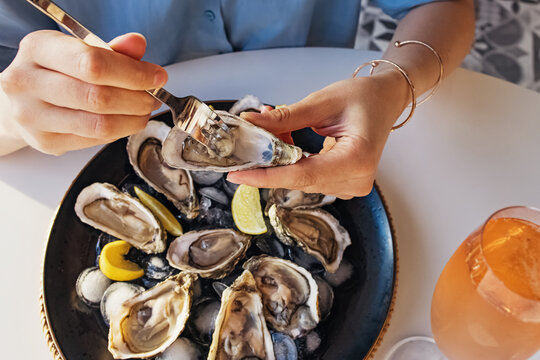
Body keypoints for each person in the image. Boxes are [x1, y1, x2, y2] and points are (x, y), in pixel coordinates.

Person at [0, 0, 474, 199]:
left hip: (326, 101)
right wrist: (11, 118)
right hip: (62, 170)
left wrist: (392, 84)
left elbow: (444, 6)